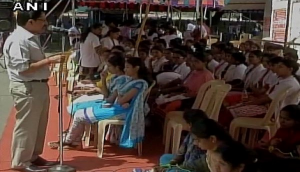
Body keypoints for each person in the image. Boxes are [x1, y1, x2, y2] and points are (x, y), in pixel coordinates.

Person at [3, 10, 65, 171]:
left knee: (38, 124)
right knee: (27, 125)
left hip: (38, 85)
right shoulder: (19, 40)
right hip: (27, 87)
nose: (45, 23)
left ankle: (32, 156)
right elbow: (22, 68)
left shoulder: (30, 37)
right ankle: (21, 161)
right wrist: (50, 60)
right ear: (30, 22)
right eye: (42, 20)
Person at [48, 57, 150, 149]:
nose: (125, 69)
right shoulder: (130, 82)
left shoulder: (138, 84)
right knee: (80, 113)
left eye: (127, 67)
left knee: (79, 115)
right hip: (118, 107)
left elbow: (120, 101)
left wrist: (118, 95)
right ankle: (73, 141)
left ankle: (69, 141)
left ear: (136, 68)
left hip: (123, 111)